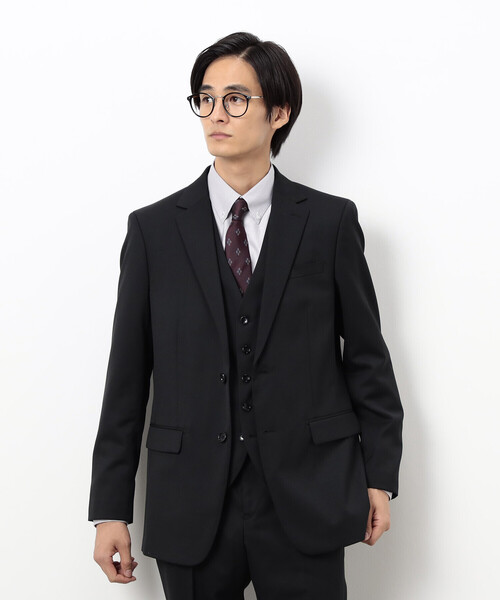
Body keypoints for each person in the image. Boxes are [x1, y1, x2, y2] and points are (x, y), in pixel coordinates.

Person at [88, 31, 404, 599]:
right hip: (191, 502)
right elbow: (126, 379)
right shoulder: (153, 231)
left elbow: (366, 359)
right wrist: (110, 508)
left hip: (308, 494)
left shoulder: (329, 223)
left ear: (279, 113)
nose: (216, 113)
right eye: (206, 98)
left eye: (235, 99)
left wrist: (380, 475)